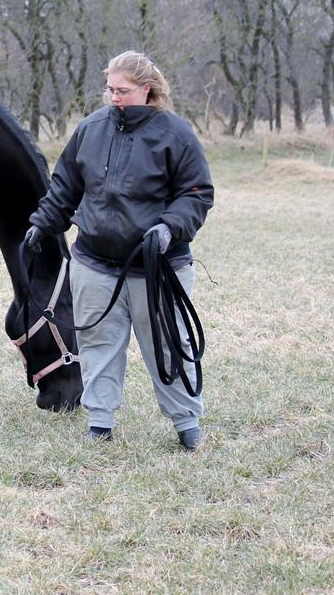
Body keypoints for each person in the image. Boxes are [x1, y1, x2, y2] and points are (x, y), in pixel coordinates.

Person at [24, 51, 214, 450]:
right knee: (97, 343)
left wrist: (168, 227)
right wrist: (42, 222)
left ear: (147, 89)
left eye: (122, 90)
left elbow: (197, 194)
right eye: (110, 89)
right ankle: (100, 422)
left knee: (170, 346)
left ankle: (186, 423)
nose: (114, 97)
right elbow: (65, 185)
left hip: (156, 266)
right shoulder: (91, 129)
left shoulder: (176, 135)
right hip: (94, 263)